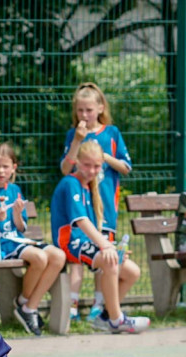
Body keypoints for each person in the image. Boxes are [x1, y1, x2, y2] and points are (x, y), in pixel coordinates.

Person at [0, 143, 65, 336]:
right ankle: (25, 305)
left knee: (58, 256)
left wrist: (18, 214)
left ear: (14, 167)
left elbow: (21, 227)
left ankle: (27, 305)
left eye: (6, 166)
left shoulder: (15, 190)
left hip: (16, 240)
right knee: (39, 258)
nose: (1, 171)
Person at [51, 141, 149, 334]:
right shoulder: (71, 183)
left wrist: (111, 247)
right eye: (87, 165)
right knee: (110, 260)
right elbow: (81, 222)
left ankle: (104, 316)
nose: (92, 170)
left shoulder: (89, 187)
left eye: (97, 166)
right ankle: (116, 319)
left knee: (132, 271)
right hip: (69, 242)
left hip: (84, 242)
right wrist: (105, 246)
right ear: (77, 162)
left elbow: (93, 227)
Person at [59, 82, 132, 322]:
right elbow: (65, 169)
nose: (84, 115)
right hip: (81, 207)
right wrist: (78, 141)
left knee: (106, 257)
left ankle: (99, 306)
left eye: (89, 110)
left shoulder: (111, 133)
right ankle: (72, 306)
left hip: (105, 209)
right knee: (80, 257)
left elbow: (126, 167)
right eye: (80, 111)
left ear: (100, 108)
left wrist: (103, 157)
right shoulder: (73, 134)